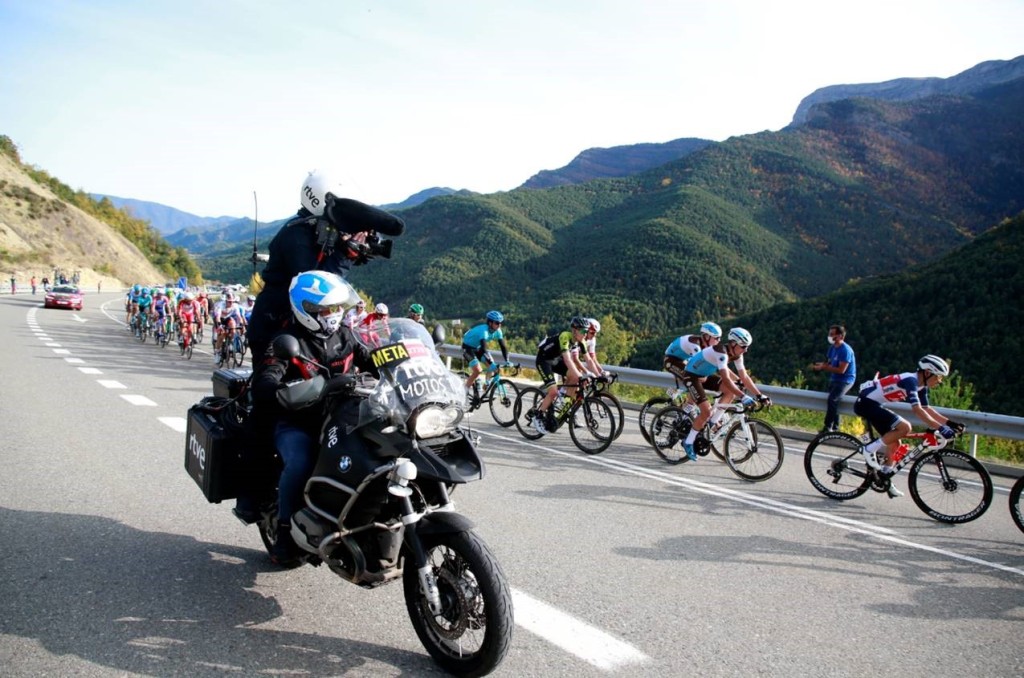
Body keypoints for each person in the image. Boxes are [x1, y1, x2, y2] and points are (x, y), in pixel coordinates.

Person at [249, 270, 374, 565]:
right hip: (297, 422)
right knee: (302, 461)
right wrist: (316, 387)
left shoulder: (345, 335)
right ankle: (283, 531)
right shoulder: (286, 341)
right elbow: (266, 382)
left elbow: (373, 357)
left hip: (343, 417)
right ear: (306, 310)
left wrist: (403, 361)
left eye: (336, 307)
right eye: (325, 309)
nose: (333, 314)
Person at [246, 170, 405, 362]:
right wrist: (345, 254)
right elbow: (317, 289)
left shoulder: (320, 234)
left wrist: (354, 250)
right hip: (275, 330)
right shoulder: (296, 236)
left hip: (307, 330)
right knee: (271, 387)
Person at [853, 355, 965, 498]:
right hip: (866, 404)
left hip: (874, 404)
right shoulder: (910, 381)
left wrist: (949, 423)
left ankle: (885, 478)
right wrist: (941, 428)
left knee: (895, 443)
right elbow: (918, 410)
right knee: (905, 427)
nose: (940, 381)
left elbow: (927, 409)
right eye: (938, 377)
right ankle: (869, 449)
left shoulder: (921, 385)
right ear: (927, 373)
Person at [679, 327, 770, 461]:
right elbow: (726, 379)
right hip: (691, 376)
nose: (746, 350)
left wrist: (759, 395)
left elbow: (744, 376)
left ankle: (711, 423)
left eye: (747, 347)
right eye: (743, 346)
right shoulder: (721, 353)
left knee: (729, 393)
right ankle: (688, 441)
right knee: (706, 411)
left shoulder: (738, 354)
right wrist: (743, 396)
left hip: (705, 375)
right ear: (733, 344)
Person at [532, 317, 591, 435]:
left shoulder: (582, 341)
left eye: (587, 332)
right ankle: (537, 416)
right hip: (544, 360)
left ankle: (564, 403)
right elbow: (568, 360)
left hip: (555, 360)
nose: (586, 334)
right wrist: (581, 376)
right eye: (584, 331)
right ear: (575, 331)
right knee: (553, 391)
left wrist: (597, 374)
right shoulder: (565, 336)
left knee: (574, 378)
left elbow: (589, 360)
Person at [813, 324, 856, 433]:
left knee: (832, 399)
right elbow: (829, 362)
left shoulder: (845, 350)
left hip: (846, 380)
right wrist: (821, 366)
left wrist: (825, 367)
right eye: (829, 334)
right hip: (835, 378)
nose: (830, 337)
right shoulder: (832, 348)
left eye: (833, 335)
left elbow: (841, 370)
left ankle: (827, 427)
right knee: (834, 402)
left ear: (840, 336)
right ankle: (835, 428)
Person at [663, 322, 722, 399]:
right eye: (716, 338)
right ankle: (678, 400)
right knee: (693, 378)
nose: (718, 340)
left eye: (719, 338)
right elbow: (697, 365)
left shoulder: (704, 344)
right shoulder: (695, 346)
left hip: (682, 360)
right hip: (671, 361)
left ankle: (681, 399)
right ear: (707, 336)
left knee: (695, 378)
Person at [461, 311, 510, 394]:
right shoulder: (484, 331)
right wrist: (490, 362)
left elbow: (503, 346)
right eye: (497, 323)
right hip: (468, 347)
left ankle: (485, 388)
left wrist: (507, 360)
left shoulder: (498, 331)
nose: (499, 325)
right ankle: (463, 390)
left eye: (500, 323)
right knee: (478, 370)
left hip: (477, 347)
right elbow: (484, 349)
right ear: (490, 323)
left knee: (494, 368)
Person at [213, 293, 247, 364]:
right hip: (220, 319)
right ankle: (217, 352)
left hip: (228, 319)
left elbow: (238, 316)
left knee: (233, 327)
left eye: (232, 301)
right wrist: (220, 326)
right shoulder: (221, 305)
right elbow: (218, 317)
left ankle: (230, 342)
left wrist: (241, 325)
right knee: (221, 335)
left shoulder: (235, 306)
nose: (231, 303)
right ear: (225, 301)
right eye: (229, 301)